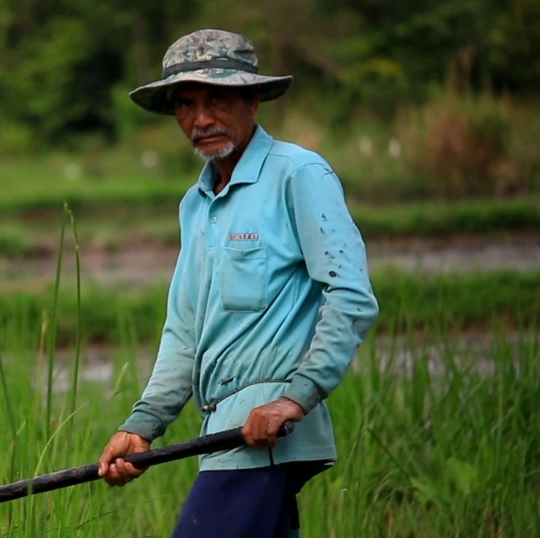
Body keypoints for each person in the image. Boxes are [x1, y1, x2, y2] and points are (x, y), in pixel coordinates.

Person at [96, 29, 380, 537]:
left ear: (252, 100)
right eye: (186, 104)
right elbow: (184, 332)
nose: (201, 119)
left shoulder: (298, 174)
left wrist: (293, 399)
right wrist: (140, 427)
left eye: (217, 99)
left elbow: (351, 295)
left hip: (268, 434)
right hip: (224, 431)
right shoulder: (196, 204)